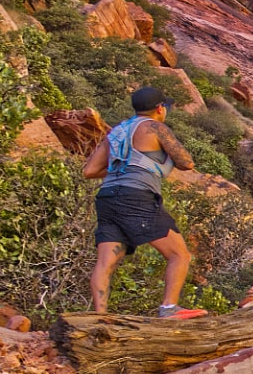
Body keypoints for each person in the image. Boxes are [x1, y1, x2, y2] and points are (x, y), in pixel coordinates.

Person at [81, 85, 205, 318]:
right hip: (137, 197)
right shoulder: (155, 127)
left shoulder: (117, 132)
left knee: (106, 261)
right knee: (180, 255)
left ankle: (100, 317)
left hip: (107, 197)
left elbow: (89, 171)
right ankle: (169, 307)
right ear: (160, 108)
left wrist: (126, 169)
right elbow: (186, 162)